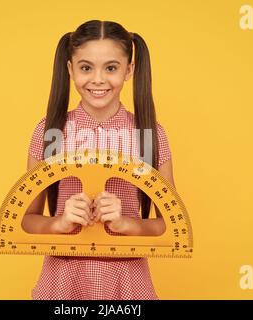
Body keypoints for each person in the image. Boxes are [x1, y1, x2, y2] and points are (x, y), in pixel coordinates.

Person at [22, 19, 176, 300]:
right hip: (61, 283)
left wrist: (127, 224)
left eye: (111, 68)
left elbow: (170, 224)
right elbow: (26, 219)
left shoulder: (149, 135)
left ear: (129, 70)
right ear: (70, 69)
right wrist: (59, 223)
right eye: (85, 67)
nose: (98, 79)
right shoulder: (51, 132)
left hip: (129, 284)